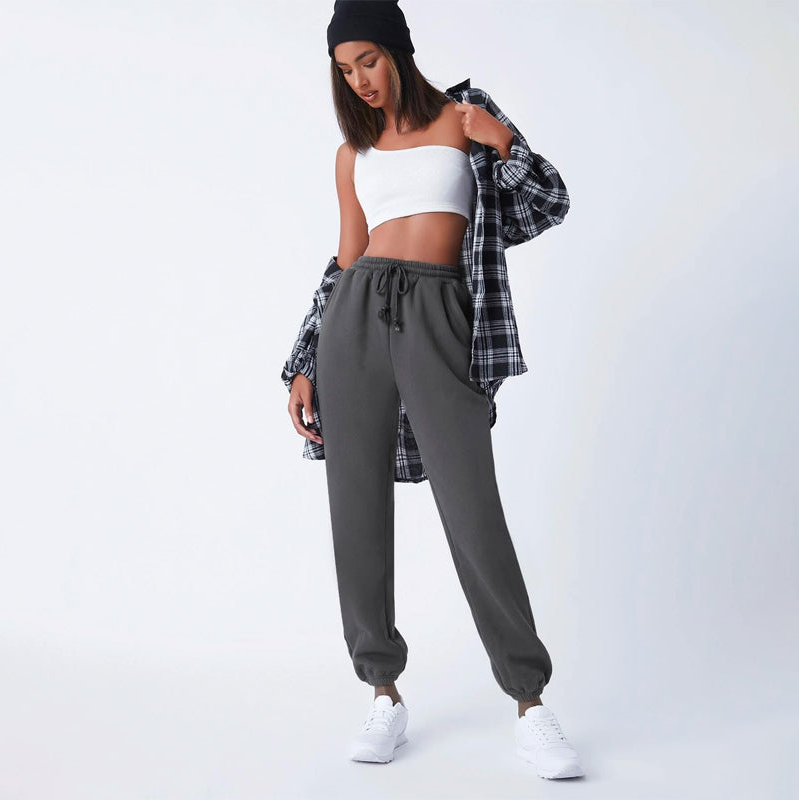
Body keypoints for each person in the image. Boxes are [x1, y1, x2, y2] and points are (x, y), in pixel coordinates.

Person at [281, 0, 584, 780]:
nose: (360, 80)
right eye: (345, 70)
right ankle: (382, 692)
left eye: (369, 61)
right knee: (355, 506)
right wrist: (305, 359)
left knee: (472, 505)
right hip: (355, 318)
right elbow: (345, 259)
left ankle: (530, 702)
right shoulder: (353, 153)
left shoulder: (465, 117)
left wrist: (504, 142)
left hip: (439, 313)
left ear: (397, 50)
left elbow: (546, 206)